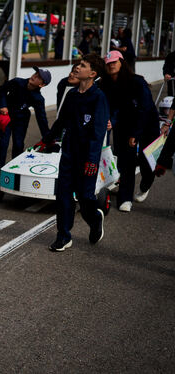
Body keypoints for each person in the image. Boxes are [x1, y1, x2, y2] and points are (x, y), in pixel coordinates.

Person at [41, 53, 109, 251]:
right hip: (69, 153)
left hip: (87, 156)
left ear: (92, 73)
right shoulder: (71, 94)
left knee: (85, 197)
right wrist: (47, 139)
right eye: (78, 64)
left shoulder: (99, 97)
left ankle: (95, 218)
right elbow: (61, 121)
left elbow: (98, 132)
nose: (77, 67)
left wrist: (92, 160)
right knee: (62, 195)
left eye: (83, 65)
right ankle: (63, 235)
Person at [101, 50, 160, 212]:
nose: (111, 65)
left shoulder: (137, 82)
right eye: (108, 63)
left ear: (122, 62)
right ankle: (125, 198)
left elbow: (145, 108)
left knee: (146, 161)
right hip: (124, 125)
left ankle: (146, 184)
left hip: (147, 123)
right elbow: (111, 108)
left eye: (114, 62)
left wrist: (136, 133)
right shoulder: (105, 84)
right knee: (126, 162)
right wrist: (110, 121)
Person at [0, 66, 51, 175]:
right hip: (7, 116)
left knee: (18, 145)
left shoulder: (38, 98)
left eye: (38, 77)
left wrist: (47, 138)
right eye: (35, 73)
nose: (34, 76)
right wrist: (3, 105)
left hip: (22, 119)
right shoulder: (17, 82)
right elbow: (2, 89)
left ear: (42, 84)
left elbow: (42, 119)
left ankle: (15, 170)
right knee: (3, 143)